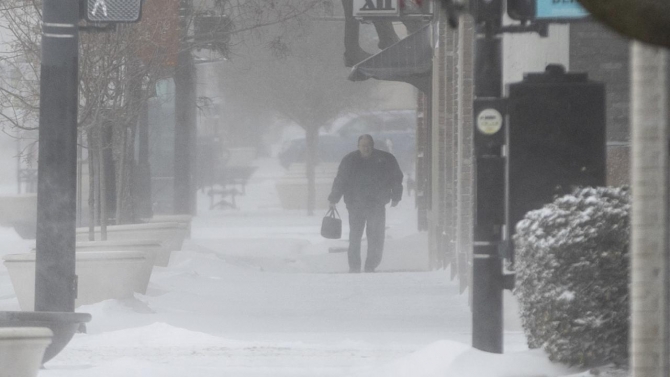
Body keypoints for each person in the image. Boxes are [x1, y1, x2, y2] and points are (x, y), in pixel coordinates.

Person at [328, 134, 403, 273]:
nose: (366, 148)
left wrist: (396, 196)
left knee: (376, 236)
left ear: (373, 145)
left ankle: (371, 264)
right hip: (355, 204)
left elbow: (396, 178)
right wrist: (333, 198)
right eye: (363, 146)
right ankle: (354, 265)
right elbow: (340, 180)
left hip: (377, 204)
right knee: (355, 236)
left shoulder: (385, 159)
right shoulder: (349, 160)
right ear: (358, 146)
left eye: (368, 145)